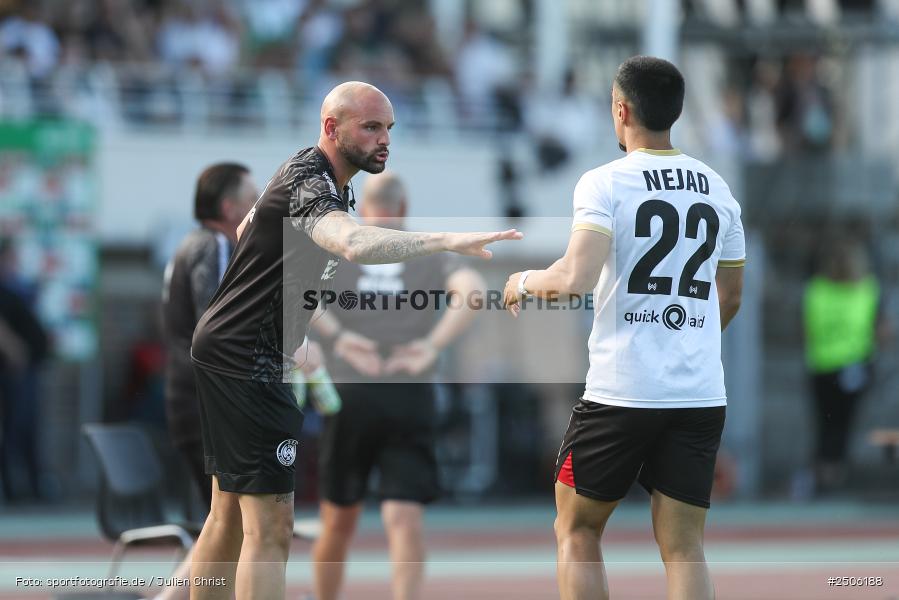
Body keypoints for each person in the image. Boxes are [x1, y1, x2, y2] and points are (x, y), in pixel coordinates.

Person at [188, 81, 521, 599]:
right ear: (331, 128)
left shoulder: (319, 180)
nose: (384, 139)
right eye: (370, 127)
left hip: (236, 348)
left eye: (389, 128)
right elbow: (351, 242)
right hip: (248, 358)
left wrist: (291, 319)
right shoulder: (313, 181)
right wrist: (446, 239)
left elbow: (251, 226)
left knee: (226, 516)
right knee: (271, 530)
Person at [503, 56, 745, 600]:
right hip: (699, 392)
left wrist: (520, 281)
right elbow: (728, 298)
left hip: (623, 390)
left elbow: (574, 277)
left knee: (577, 528)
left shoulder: (604, 182)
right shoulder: (718, 189)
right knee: (684, 547)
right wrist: (684, 342)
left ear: (621, 109)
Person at [310, 172, 485, 600]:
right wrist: (431, 345)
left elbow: (301, 295)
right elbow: (474, 292)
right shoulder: (427, 250)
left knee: (337, 520)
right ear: (404, 210)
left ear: (364, 209)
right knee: (404, 519)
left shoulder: (344, 246)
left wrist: (339, 337)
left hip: (352, 392)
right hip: (410, 391)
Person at [157, 163, 257, 600]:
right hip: (205, 403)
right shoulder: (215, 244)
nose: (260, 209)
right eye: (253, 199)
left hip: (190, 399)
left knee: (223, 522)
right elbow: (216, 325)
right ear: (229, 206)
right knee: (227, 522)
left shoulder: (190, 244)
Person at [801, 236, 883, 495]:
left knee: (826, 425)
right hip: (854, 365)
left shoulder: (816, 290)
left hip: (822, 366)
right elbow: (879, 328)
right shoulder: (867, 289)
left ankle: (825, 474)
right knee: (843, 426)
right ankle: (834, 475)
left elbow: (806, 330)